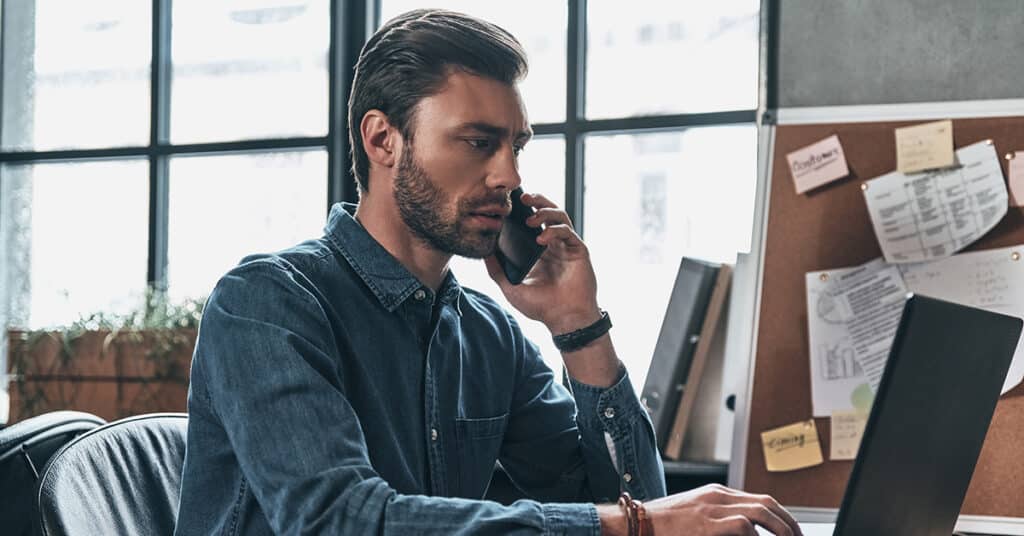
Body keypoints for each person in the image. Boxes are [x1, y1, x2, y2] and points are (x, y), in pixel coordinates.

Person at [174, 9, 801, 536]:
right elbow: (337, 520)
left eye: (516, 146)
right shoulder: (265, 302)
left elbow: (628, 500)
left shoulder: (486, 335)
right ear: (383, 140)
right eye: (478, 142)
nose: (509, 177)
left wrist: (579, 326)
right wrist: (632, 524)